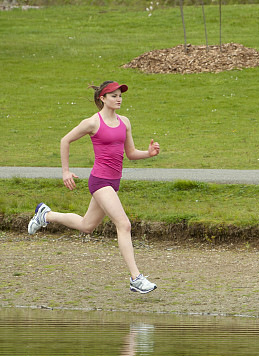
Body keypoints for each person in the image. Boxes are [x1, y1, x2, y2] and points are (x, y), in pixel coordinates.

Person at [28, 81, 160, 294]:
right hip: (100, 181)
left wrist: (148, 153)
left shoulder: (124, 122)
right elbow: (65, 140)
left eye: (120, 95)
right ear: (102, 98)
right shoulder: (92, 123)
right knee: (124, 225)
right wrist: (65, 171)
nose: (119, 99)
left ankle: (45, 215)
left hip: (114, 182)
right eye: (114, 95)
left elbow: (131, 153)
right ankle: (136, 278)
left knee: (86, 225)